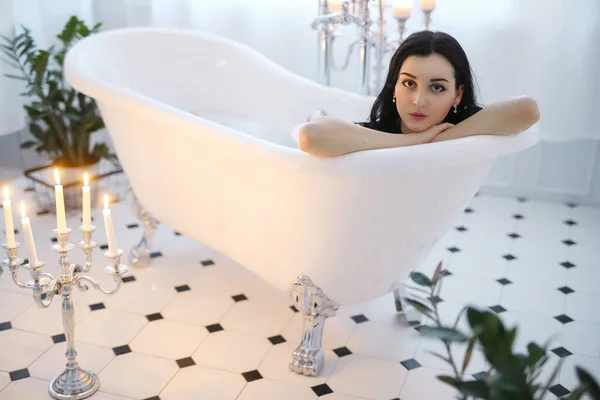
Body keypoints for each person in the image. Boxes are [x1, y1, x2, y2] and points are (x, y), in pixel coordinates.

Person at [298, 30, 540, 157]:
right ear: (394, 86)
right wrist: (412, 142)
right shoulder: (377, 132)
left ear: (457, 95)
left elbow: (526, 110)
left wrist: (439, 139)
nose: (418, 101)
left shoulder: (464, 128)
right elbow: (310, 136)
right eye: (409, 83)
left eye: (437, 87)